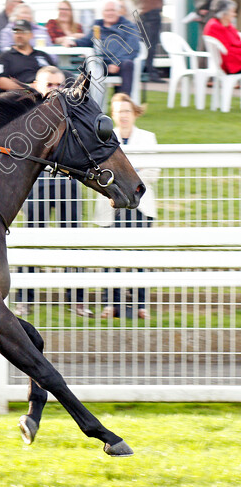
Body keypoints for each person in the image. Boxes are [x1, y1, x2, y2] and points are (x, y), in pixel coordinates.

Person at [15, 65, 89, 318]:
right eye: (49, 85)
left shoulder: (72, 113)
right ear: (37, 86)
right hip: (37, 185)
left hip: (68, 183)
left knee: (73, 241)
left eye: (60, 86)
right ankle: (24, 298)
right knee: (31, 241)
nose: (56, 90)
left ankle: (77, 299)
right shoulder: (27, 115)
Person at [96, 93, 159, 320]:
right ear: (112, 115)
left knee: (139, 257)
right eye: (118, 111)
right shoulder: (104, 137)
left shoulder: (148, 138)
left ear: (134, 113)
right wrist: (133, 173)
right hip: (110, 207)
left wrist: (125, 176)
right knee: (110, 257)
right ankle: (110, 304)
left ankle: (140, 304)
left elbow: (153, 173)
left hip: (140, 207)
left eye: (126, 111)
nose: (122, 116)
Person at [70, 0, 140, 96]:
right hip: (101, 63)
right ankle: (84, 102)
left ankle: (123, 101)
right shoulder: (97, 25)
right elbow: (87, 40)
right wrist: (73, 42)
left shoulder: (128, 26)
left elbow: (133, 47)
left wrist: (116, 62)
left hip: (121, 63)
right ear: (102, 12)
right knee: (89, 63)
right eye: (107, 10)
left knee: (128, 64)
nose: (109, 13)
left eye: (112, 10)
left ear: (118, 12)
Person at [0, 19, 55, 91]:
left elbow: (55, 74)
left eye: (23, 32)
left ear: (31, 35)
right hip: (18, 95)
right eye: (16, 32)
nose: (19, 35)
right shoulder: (6, 56)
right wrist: (28, 87)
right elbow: (0, 81)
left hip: (43, 93)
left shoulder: (42, 55)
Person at [136, 0, 175, 81]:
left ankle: (146, 71)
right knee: (152, 43)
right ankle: (151, 73)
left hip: (144, 9)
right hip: (152, 10)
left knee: (146, 42)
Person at [204, 0, 241, 73]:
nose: (234, 15)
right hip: (230, 64)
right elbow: (227, 51)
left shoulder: (225, 24)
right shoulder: (215, 26)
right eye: (232, 12)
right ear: (224, 13)